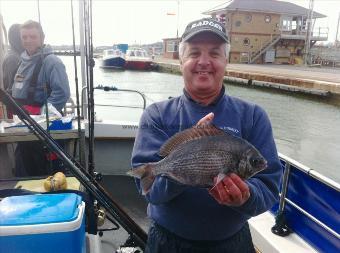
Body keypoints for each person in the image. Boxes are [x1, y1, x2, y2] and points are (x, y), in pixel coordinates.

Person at [131, 18, 282, 253]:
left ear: (226, 61)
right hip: (168, 243)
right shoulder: (156, 116)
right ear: (181, 61)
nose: (204, 62)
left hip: (232, 243)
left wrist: (246, 196)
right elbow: (150, 192)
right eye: (194, 53)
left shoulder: (253, 116)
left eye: (214, 53)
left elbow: (269, 186)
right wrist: (185, 169)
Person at [12, 20, 70, 176]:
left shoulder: (52, 62)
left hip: (44, 131)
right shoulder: (22, 61)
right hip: (23, 127)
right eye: (24, 37)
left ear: (42, 38)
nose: (28, 40)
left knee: (44, 173)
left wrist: (41, 115)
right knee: (24, 171)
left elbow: (62, 93)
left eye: (33, 36)